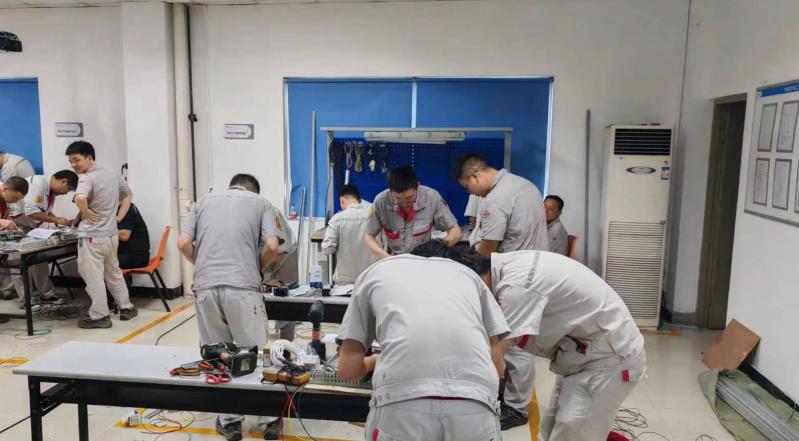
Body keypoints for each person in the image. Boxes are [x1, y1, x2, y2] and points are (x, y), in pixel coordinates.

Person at [416, 243, 647, 441]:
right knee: (552, 429)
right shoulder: (504, 267)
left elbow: (493, 362)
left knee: (574, 433)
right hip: (580, 356)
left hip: (609, 358)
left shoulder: (516, 288)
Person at [337, 242, 510, 441]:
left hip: (400, 403)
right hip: (476, 403)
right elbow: (498, 368)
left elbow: (348, 369)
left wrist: (374, 361)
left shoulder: (377, 272)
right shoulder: (470, 277)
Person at [177, 173, 281, 441]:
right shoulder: (261, 203)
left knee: (218, 354)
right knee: (253, 353)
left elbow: (183, 243)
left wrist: (204, 266)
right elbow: (272, 245)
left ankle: (230, 421)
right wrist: (256, 268)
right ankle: (268, 420)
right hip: (242, 288)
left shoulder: (202, 202)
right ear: (254, 191)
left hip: (205, 287)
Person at [453, 153, 548, 429]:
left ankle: (516, 407)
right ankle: (510, 393)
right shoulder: (524, 185)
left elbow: (487, 247)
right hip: (532, 271)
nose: (472, 194)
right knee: (518, 338)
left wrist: (465, 266)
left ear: (475, 175)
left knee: (512, 341)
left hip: (515, 278)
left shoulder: (496, 199)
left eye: (468, 188)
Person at [66, 141, 137, 329]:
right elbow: (128, 195)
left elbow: (80, 197)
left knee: (93, 277)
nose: (73, 165)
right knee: (113, 272)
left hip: (92, 236)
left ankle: (100, 316)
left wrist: (86, 212)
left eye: (76, 160)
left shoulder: (87, 178)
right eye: (70, 161)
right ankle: (126, 307)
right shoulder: (112, 173)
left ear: (89, 157)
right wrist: (119, 217)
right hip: (111, 235)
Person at [5, 171, 78, 309]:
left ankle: (47, 294)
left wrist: (58, 219)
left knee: (39, 260)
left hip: (30, 226)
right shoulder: (38, 183)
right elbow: (32, 212)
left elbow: (44, 211)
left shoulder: (50, 191)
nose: (65, 193)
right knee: (19, 264)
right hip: (16, 225)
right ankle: (26, 300)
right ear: (63, 182)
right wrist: (56, 220)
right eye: (68, 189)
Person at [364, 165, 461, 259]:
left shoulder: (432, 198)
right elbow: (368, 236)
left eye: (409, 198)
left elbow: (455, 232)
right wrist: (387, 258)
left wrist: (435, 250)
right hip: (395, 258)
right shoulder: (381, 202)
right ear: (390, 190)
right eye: (398, 198)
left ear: (417, 187)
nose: (404, 203)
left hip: (424, 259)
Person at [321, 184, 379, 285]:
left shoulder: (337, 219)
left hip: (345, 281)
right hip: (371, 278)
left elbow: (327, 249)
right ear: (359, 200)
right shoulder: (375, 217)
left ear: (342, 201)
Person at [261, 204, 298, 342]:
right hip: (264, 256)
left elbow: (279, 252)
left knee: (286, 300)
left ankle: (285, 345)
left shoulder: (269, 212)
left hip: (285, 254)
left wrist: (259, 273)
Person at [0, 177, 30, 305]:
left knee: (15, 257)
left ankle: (25, 299)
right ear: (5, 189)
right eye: (15, 198)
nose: (15, 202)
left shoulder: (5, 200)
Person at [117, 203, 150, 270]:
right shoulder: (124, 207)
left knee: (99, 262)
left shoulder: (126, 209)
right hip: (128, 255)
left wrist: (102, 229)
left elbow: (124, 236)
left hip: (135, 257)